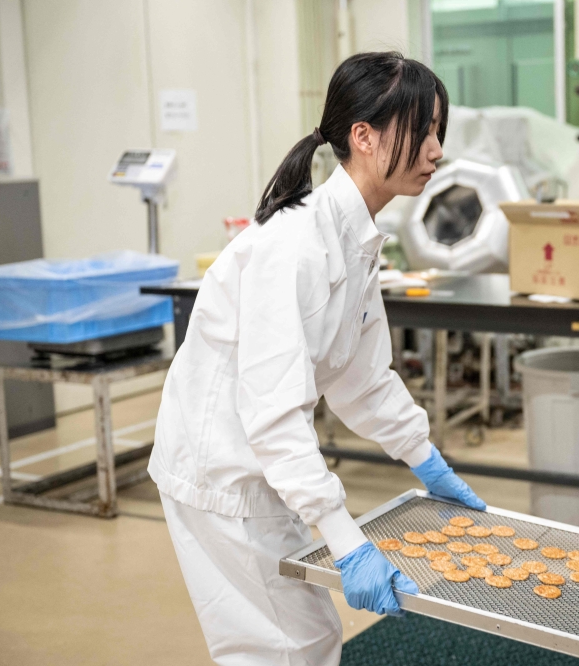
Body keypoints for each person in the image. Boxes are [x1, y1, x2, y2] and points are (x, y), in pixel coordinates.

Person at [148, 51, 486, 665]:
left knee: (299, 640)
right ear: (364, 136)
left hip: (261, 466)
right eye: (424, 130)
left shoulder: (355, 238)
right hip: (220, 472)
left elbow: (363, 379)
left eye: (440, 132)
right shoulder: (296, 246)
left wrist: (425, 458)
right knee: (283, 647)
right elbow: (275, 411)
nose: (437, 150)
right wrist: (344, 540)